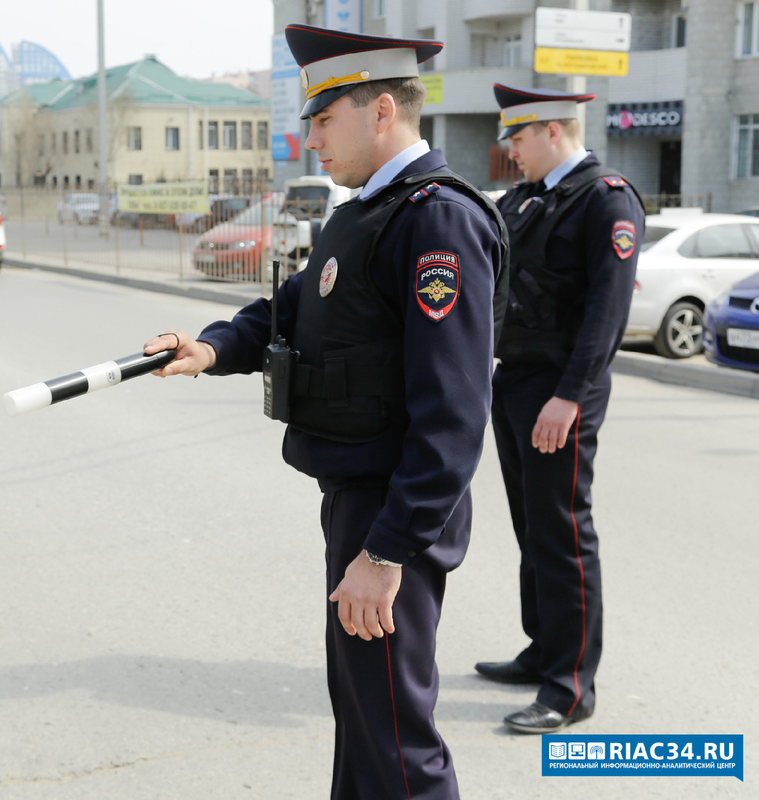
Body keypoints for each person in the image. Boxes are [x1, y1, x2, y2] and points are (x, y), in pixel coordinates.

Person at [143, 25, 507, 800]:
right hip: (358, 498)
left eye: (321, 119)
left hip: (392, 508)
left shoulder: (436, 219)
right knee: (364, 717)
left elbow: (452, 412)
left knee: (397, 738)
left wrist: (385, 554)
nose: (309, 139)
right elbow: (293, 309)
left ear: (381, 111)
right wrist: (209, 347)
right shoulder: (367, 212)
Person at [474, 84, 644, 734]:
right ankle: (541, 649)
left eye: (516, 140)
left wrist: (569, 397)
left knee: (564, 533)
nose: (510, 154)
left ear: (552, 130)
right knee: (530, 526)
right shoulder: (523, 201)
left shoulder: (607, 202)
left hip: (561, 391)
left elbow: (606, 313)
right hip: (515, 381)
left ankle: (570, 687)